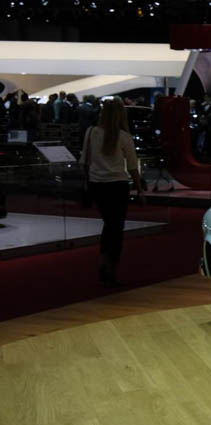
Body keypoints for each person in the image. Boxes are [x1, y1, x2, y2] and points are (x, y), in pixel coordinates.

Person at [79, 97, 145, 287]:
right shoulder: (124, 137)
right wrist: (140, 190)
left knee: (109, 225)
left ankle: (104, 263)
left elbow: (85, 161)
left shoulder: (91, 132)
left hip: (97, 184)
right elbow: (132, 166)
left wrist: (87, 182)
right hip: (117, 185)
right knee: (116, 228)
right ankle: (110, 268)